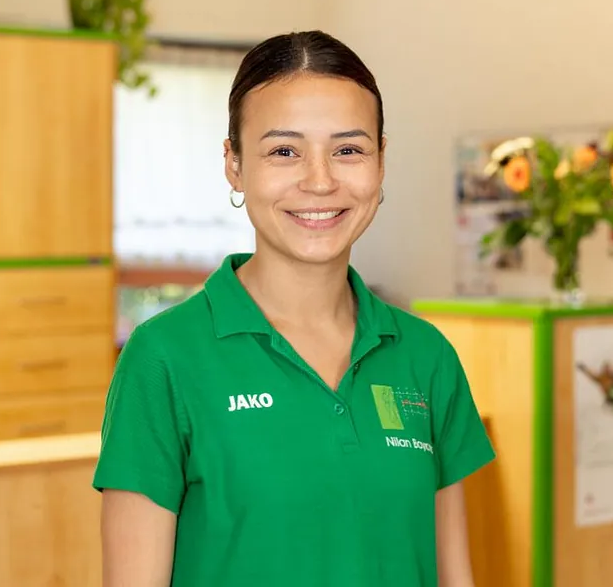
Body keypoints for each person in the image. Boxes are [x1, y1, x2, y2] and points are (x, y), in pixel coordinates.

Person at [93, 30, 495, 587]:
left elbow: (454, 576)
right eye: (284, 151)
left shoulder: (428, 357)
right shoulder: (163, 358)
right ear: (234, 164)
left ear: (381, 162)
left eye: (348, 150)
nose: (320, 181)